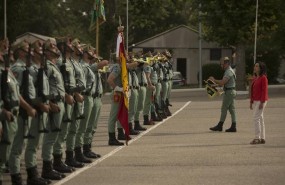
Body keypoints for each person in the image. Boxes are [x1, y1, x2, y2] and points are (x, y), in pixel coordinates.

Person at [0, 39, 21, 185]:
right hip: (4, 116)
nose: (8, 52)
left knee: (8, 150)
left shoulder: (6, 71)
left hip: (12, 114)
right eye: (4, 49)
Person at [209, 56, 237, 132]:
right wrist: (214, 85)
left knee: (224, 109)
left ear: (227, 63)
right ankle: (233, 126)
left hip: (229, 92)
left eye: (222, 64)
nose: (221, 66)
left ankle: (220, 125)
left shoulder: (229, 72)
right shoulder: (228, 71)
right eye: (221, 64)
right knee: (232, 109)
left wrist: (214, 80)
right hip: (230, 91)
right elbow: (223, 84)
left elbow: (222, 82)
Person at [249, 62, 268, 144]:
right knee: (260, 118)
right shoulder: (255, 78)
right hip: (256, 100)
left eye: (257, 66)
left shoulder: (263, 78)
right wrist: (251, 101)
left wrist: (262, 102)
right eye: (255, 66)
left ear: (260, 68)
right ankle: (263, 138)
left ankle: (257, 138)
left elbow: (264, 90)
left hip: (261, 100)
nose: (255, 67)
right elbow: (252, 90)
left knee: (256, 118)